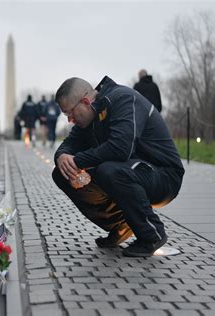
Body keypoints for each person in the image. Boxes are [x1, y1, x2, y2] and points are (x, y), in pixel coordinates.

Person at [52, 76, 184, 257]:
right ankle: (121, 226)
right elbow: (69, 144)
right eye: (66, 116)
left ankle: (151, 234)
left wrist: (77, 160)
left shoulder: (123, 99)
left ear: (85, 101)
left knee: (108, 170)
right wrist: (62, 157)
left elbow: (120, 148)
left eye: (70, 113)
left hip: (164, 176)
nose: (70, 120)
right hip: (130, 172)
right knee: (62, 174)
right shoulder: (88, 118)